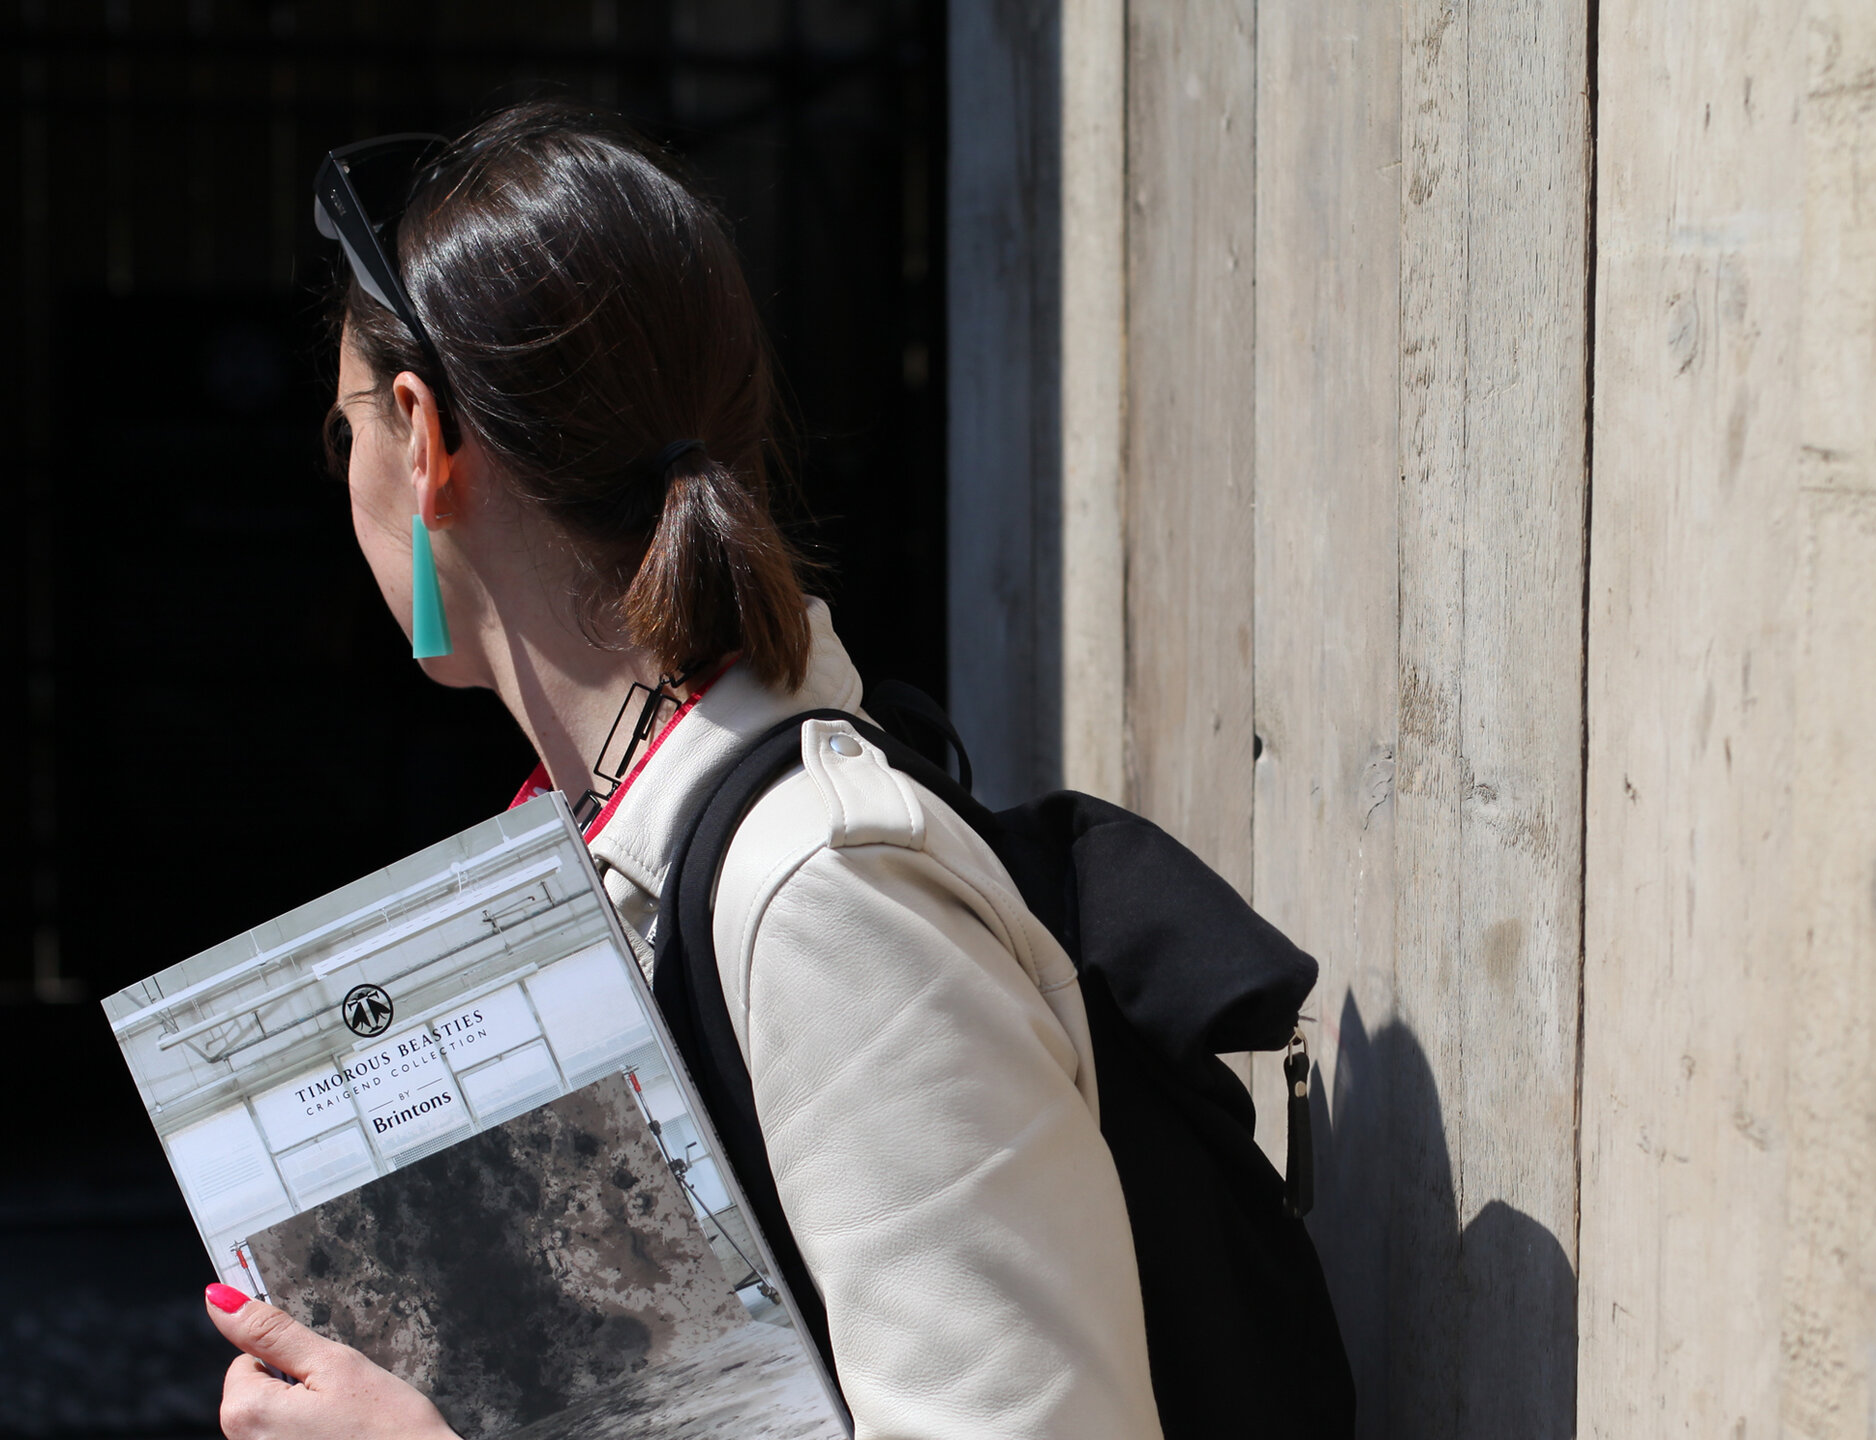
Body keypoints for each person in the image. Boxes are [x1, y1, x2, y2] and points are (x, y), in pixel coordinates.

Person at [202, 101, 1163, 1440]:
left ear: (420, 437)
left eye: (342, 431)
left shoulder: (821, 892)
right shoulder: (643, 852)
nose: (345, 471)